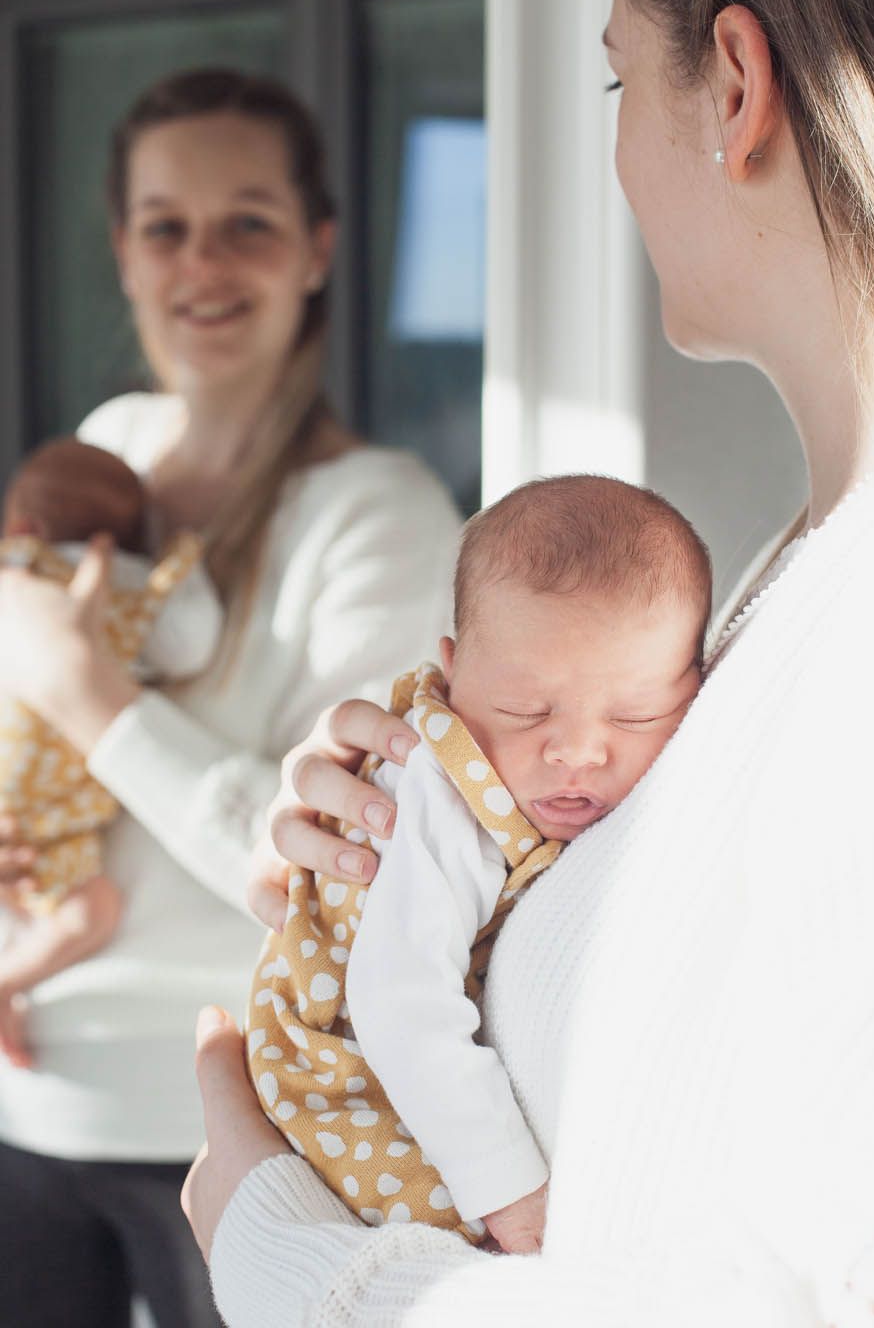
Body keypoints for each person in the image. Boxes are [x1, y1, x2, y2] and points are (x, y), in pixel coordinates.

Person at [185, 0, 874, 1323]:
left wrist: (284, 1246)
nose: (615, 162)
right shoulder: (792, 578)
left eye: (612, 89)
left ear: (730, 85)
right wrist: (419, 851)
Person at [0, 68, 460, 1328]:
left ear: (315, 249)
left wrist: (87, 693)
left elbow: (320, 868)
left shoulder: (380, 515)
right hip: (23, 1100)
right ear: (125, 252)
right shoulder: (108, 449)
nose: (203, 261)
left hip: (229, 1130)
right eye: (166, 225)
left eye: (248, 220)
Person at [246, 474, 711, 1252]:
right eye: (526, 711)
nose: (576, 751)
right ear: (454, 673)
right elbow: (400, 1000)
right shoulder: (445, 788)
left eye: (636, 714)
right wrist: (513, 1195)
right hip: (338, 1069)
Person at [0, 437, 222, 1065]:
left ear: (22, 525)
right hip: (58, 806)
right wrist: (182, 559)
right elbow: (192, 646)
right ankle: (9, 979)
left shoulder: (12, 571)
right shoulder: (127, 598)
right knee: (90, 910)